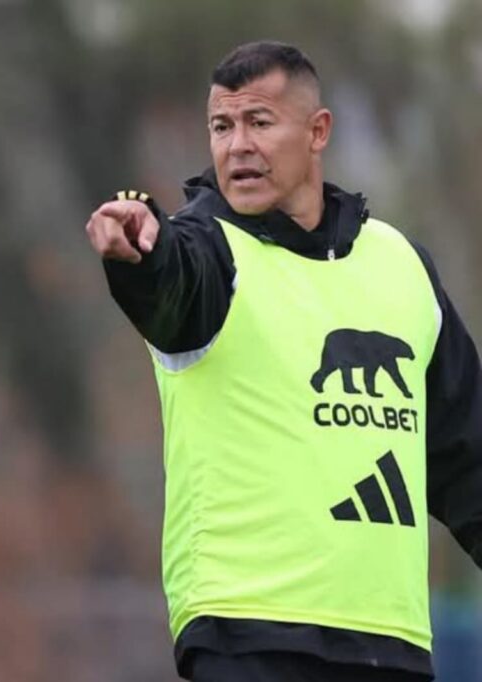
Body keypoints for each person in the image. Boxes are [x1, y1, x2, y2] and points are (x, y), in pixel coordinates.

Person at [86, 40, 482, 682]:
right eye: (222, 126)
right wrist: (140, 258)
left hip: (391, 637)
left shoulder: (402, 264)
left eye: (259, 122)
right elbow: (169, 290)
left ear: (317, 131)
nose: (237, 145)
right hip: (248, 633)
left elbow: (467, 457)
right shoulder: (205, 248)